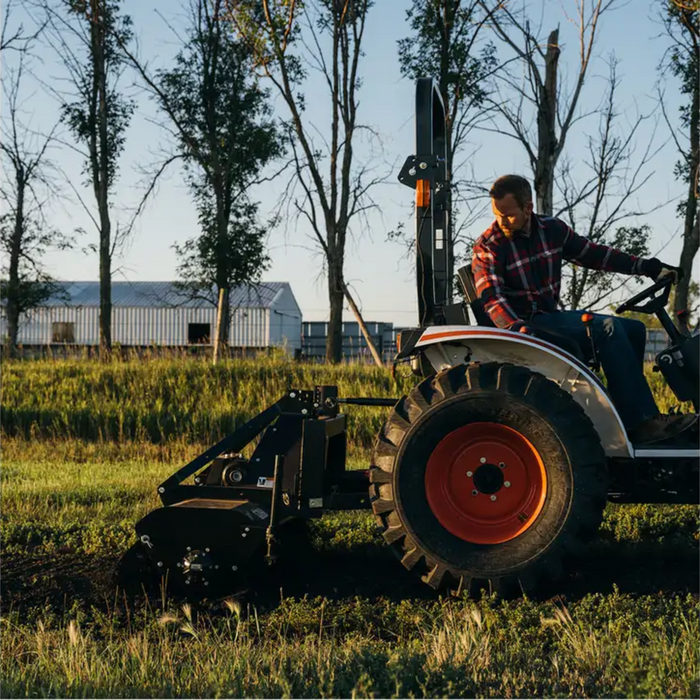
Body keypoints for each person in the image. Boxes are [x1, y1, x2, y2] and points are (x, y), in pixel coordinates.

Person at [472, 174, 696, 444]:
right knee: (608, 330)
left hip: (550, 316)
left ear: (528, 208)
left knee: (634, 329)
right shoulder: (489, 245)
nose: (501, 221)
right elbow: (491, 298)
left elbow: (595, 254)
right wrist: (517, 328)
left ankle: (632, 418)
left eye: (508, 215)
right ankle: (642, 422)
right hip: (526, 326)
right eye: (497, 214)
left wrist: (646, 267)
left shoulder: (552, 230)